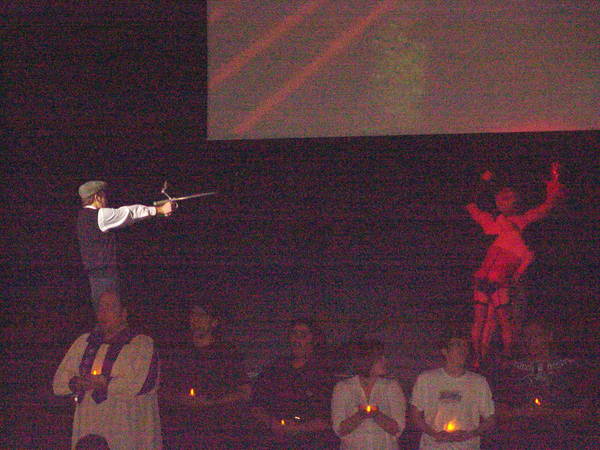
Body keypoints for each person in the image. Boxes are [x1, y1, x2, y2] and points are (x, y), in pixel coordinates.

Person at [466, 163, 564, 365]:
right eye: (501, 195)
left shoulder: (518, 224)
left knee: (493, 320)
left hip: (495, 278)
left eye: (509, 195)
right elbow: (471, 205)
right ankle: (483, 358)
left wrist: (554, 181)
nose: (504, 197)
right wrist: (482, 183)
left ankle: (499, 357)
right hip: (489, 277)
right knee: (488, 320)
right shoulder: (495, 224)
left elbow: (547, 207)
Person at [53, 291, 162, 449]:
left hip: (126, 429)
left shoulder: (141, 344)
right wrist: (78, 383)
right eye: (100, 308)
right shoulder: (84, 343)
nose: (103, 313)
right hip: (89, 426)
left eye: (110, 307)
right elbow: (59, 383)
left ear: (124, 313)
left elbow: (141, 383)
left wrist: (104, 383)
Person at [161, 299, 251, 448]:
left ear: (214, 322)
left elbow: (244, 392)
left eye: (202, 315)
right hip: (183, 432)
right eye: (193, 314)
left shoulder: (226, 353)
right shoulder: (179, 352)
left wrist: (211, 401)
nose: (196, 319)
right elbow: (163, 389)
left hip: (217, 431)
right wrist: (181, 399)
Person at [492, 318, 594, 448]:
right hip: (522, 441)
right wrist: (522, 412)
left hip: (562, 440)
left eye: (537, 335)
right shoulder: (511, 371)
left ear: (548, 336)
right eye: (527, 336)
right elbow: (499, 412)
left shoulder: (569, 369)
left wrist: (550, 412)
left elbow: (584, 412)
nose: (531, 341)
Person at [76, 180, 174, 310]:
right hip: (106, 276)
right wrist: (159, 209)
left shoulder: (82, 217)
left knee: (102, 312)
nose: (106, 200)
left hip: (95, 276)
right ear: (97, 197)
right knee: (111, 312)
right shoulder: (100, 216)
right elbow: (130, 213)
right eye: (103, 196)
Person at [250, 318, 336, 448]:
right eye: (294, 334)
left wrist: (300, 428)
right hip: (275, 439)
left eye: (303, 335)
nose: (297, 340)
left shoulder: (323, 373)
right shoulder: (276, 368)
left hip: (311, 441)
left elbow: (330, 417)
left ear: (314, 340)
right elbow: (256, 403)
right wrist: (272, 422)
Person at [410, 327, 495, 449]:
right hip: (434, 446)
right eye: (457, 345)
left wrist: (470, 434)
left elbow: (490, 419)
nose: (462, 349)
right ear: (445, 351)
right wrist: (434, 434)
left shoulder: (479, 382)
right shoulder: (427, 379)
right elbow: (415, 416)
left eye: (465, 345)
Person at [331, 340, 406, 449]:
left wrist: (376, 414)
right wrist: (360, 415)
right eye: (380, 359)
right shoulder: (344, 388)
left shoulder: (391, 387)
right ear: (366, 361)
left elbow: (397, 428)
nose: (385, 361)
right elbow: (339, 429)